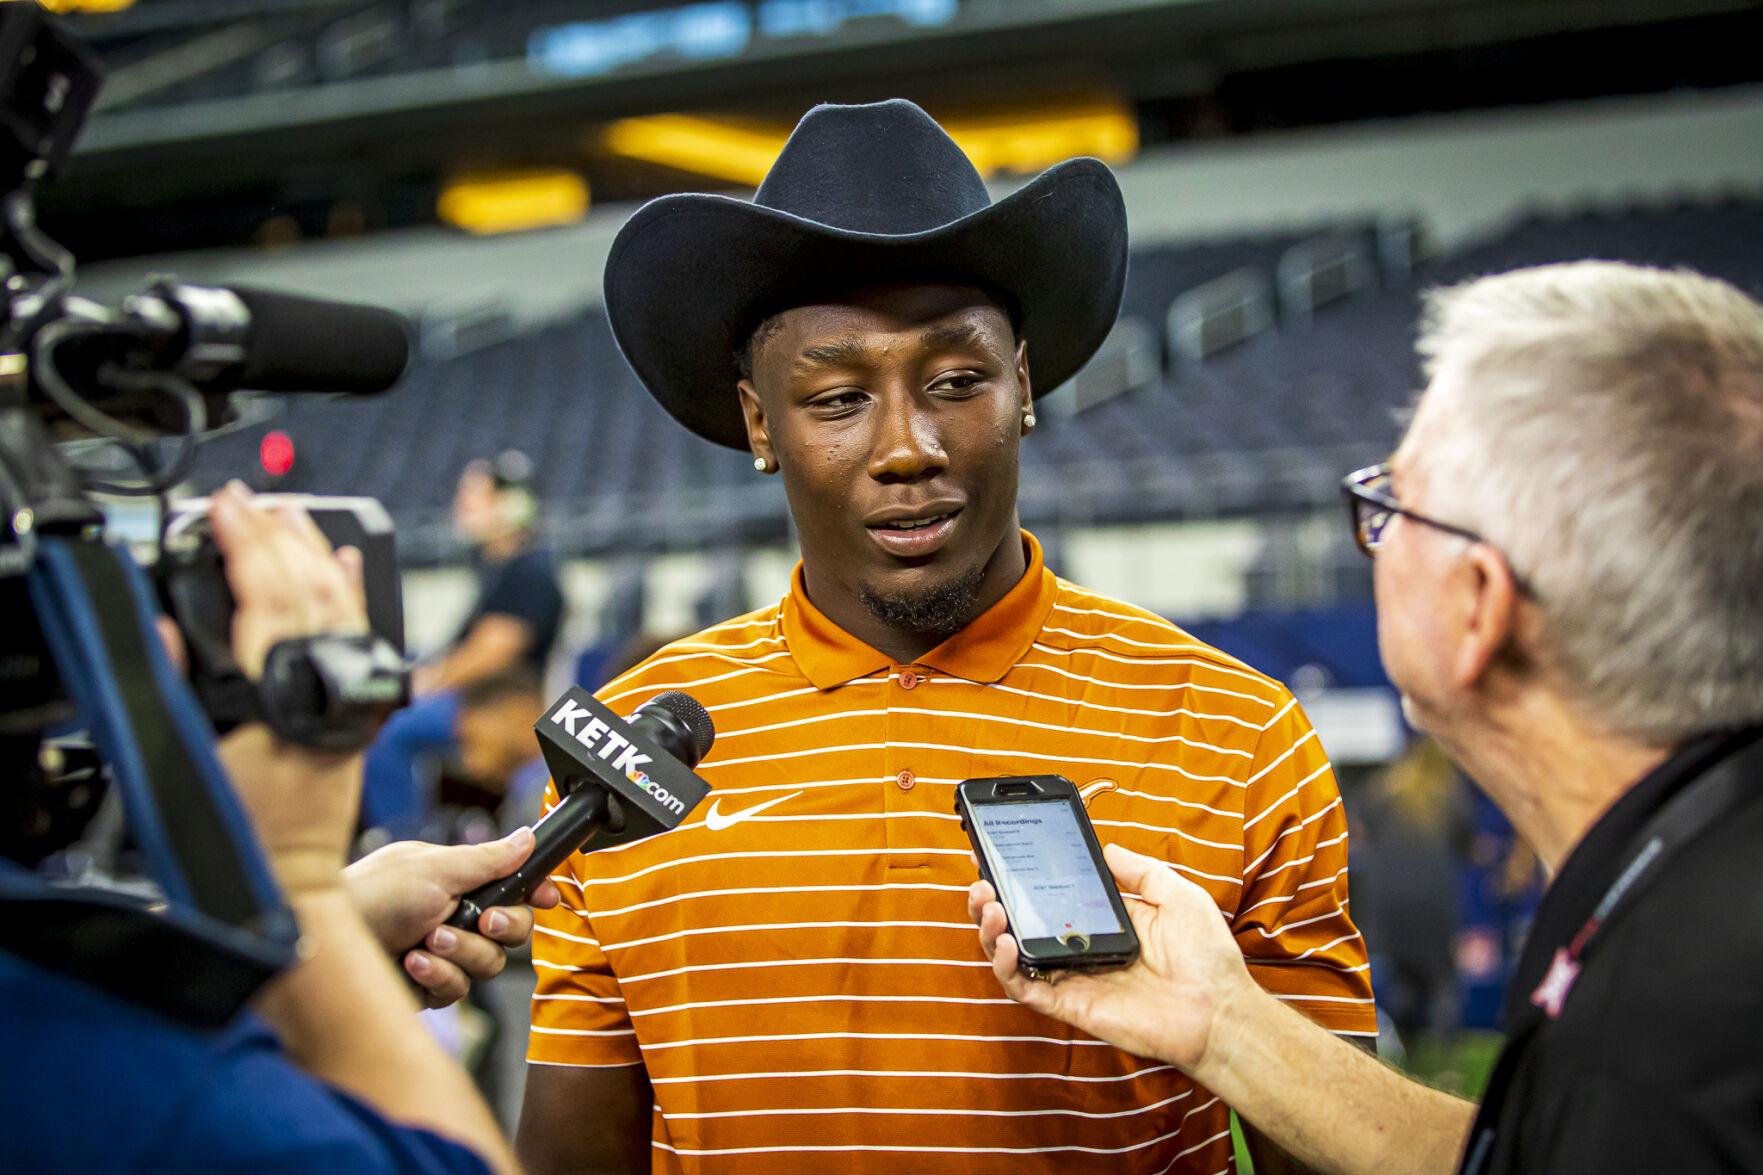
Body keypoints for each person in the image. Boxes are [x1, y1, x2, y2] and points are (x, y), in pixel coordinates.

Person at [517, 99, 1374, 1175]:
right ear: (755, 424)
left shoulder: (1237, 732)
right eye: (834, 398)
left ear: (1024, 381)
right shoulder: (627, 750)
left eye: (957, 380)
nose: (907, 446)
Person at [968, 261, 1763, 1174]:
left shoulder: (1662, 1040)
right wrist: (1224, 1019)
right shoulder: (1690, 899)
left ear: (1477, 606)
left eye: (1390, 503)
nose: (1371, 540)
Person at [3, 483, 557, 1173]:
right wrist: (298, 883)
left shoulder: (528, 569)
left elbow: (497, 650)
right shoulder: (132, 1080)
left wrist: (327, 928)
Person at [363, 451, 565, 836]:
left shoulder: (530, 572)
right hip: (477, 698)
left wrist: (425, 682)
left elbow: (492, 653)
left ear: (512, 504)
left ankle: (403, 840)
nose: (462, 507)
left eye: (475, 497)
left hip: (496, 705)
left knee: (386, 730)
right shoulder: (498, 568)